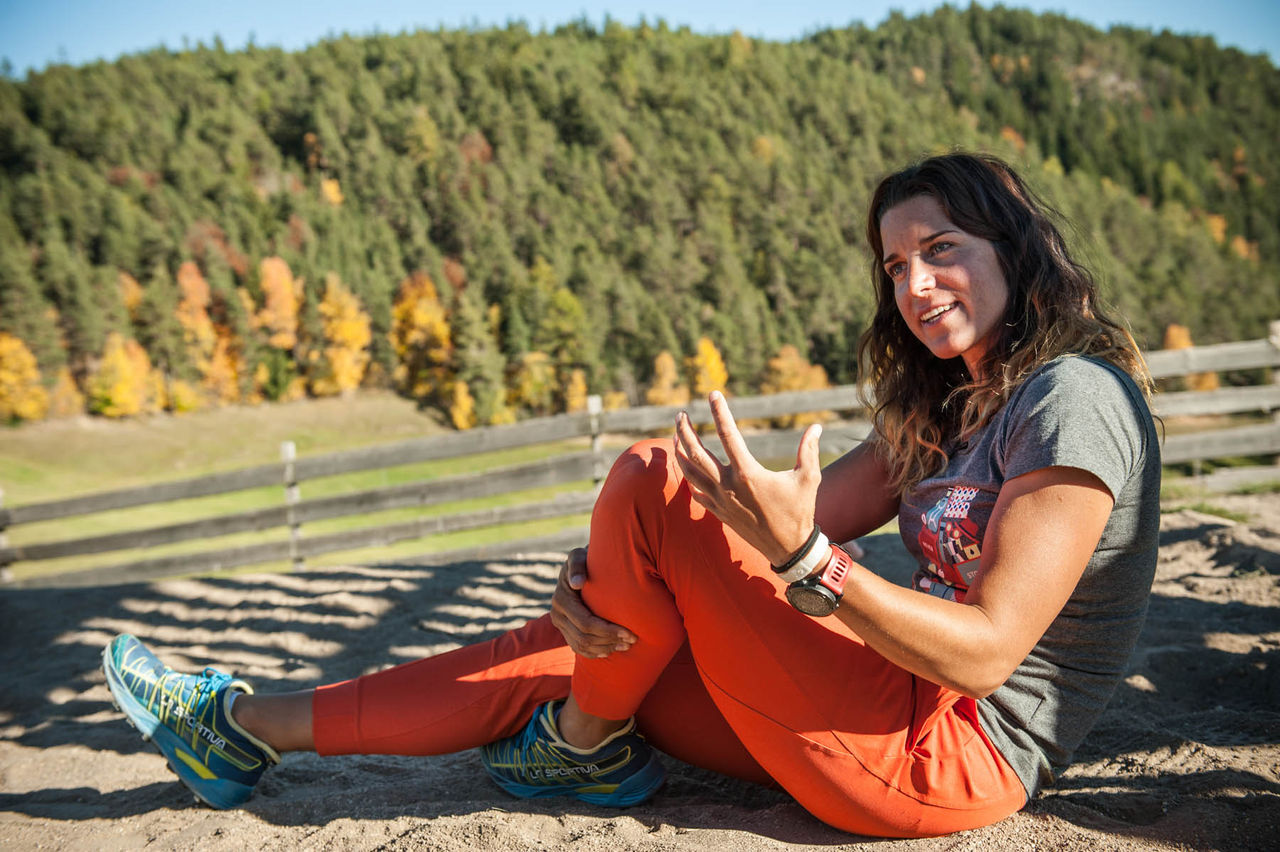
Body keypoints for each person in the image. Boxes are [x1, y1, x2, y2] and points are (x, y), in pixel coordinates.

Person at [102, 152, 1160, 837]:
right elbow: (762, 520)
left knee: (655, 477)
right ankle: (243, 728)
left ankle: (577, 747)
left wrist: (809, 568)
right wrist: (618, 570)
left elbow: (981, 649)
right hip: (878, 705)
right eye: (893, 266)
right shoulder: (952, 405)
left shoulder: (1073, 401)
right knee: (604, 637)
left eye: (941, 251)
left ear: (1012, 253)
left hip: (951, 754)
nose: (914, 286)